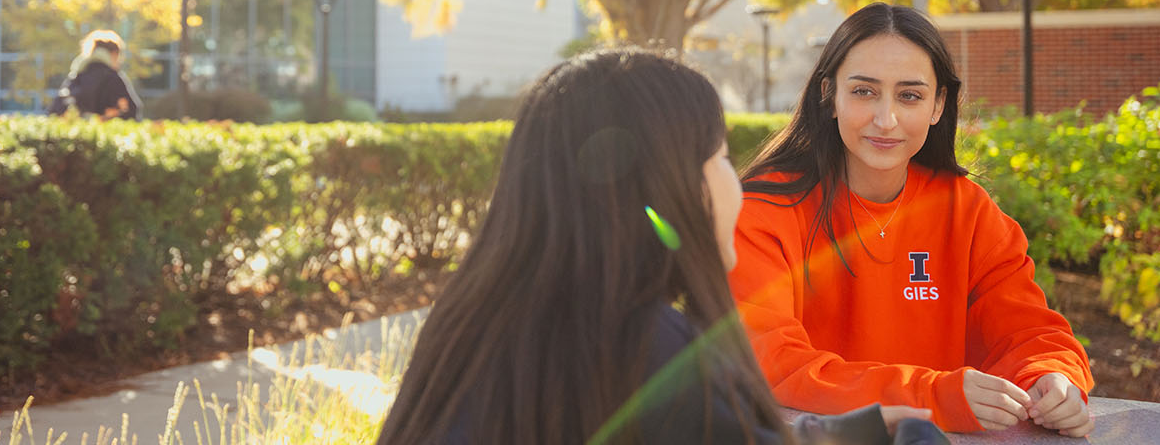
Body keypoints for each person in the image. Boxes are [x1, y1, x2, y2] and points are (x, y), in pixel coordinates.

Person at [377, 50, 948, 445]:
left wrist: (842, 432)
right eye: (721, 155)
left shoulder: (489, 321)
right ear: (666, 185)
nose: (736, 181)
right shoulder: (642, 343)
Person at [728, 3, 1094, 436]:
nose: (886, 120)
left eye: (910, 95)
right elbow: (770, 362)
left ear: (938, 104)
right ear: (829, 96)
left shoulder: (969, 211)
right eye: (864, 91)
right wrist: (930, 396)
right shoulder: (762, 214)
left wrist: (1052, 378)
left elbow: (1030, 332)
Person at [48, 29, 142, 120]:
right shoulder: (113, 78)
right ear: (114, 54)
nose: (119, 61)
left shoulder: (76, 76)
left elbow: (54, 111)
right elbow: (131, 112)